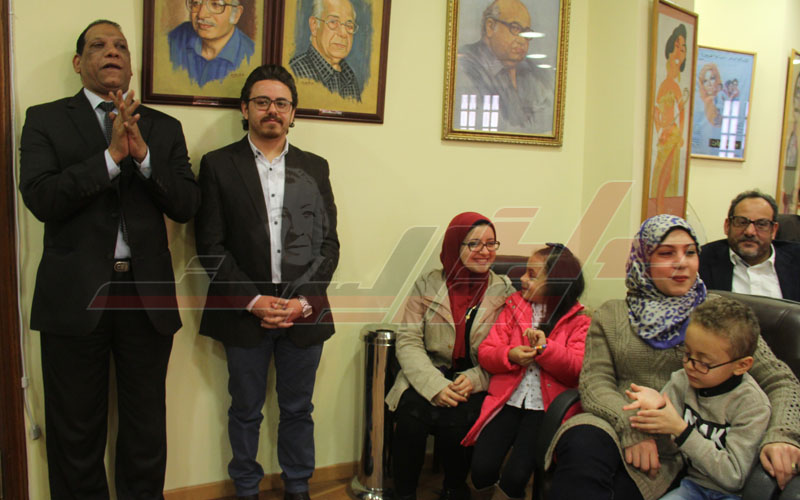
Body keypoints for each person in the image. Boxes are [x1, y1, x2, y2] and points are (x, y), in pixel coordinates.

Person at [18, 19, 200, 499]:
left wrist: (143, 158)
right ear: (79, 63)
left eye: (120, 45)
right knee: (75, 430)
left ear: (131, 66)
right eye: (98, 45)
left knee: (145, 428)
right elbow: (41, 198)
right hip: (75, 295)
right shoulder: (45, 119)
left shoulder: (163, 127)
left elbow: (186, 204)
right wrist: (110, 157)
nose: (112, 51)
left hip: (145, 296)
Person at [544, 214, 800, 500]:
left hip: (681, 443)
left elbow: (781, 380)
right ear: (643, 260)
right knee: (581, 448)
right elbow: (595, 382)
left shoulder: (719, 315)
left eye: (690, 252)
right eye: (666, 253)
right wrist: (632, 429)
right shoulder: (612, 314)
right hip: (615, 420)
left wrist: (782, 435)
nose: (682, 263)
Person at [194, 64, 339, 500]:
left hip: (303, 311)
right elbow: (210, 246)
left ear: (293, 113)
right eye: (262, 102)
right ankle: (246, 489)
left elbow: (328, 245)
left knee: (298, 409)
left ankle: (298, 486)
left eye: (281, 103)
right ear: (245, 109)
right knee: (245, 410)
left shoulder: (315, 167)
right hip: (244, 311)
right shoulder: (218, 165)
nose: (272, 110)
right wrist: (254, 300)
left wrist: (302, 301)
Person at [385, 212, 516, 500]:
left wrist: (475, 379)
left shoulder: (504, 290)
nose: (485, 251)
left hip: (476, 378)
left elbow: (506, 349)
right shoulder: (427, 284)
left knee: (459, 420)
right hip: (428, 372)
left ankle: (454, 490)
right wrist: (434, 385)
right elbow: (408, 340)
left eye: (491, 243)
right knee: (410, 419)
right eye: (474, 244)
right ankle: (404, 493)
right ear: (455, 246)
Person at [462, 243, 590, 500]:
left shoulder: (579, 321)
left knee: (515, 477)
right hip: (506, 401)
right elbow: (487, 352)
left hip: (545, 409)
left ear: (556, 283)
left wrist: (546, 349)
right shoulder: (513, 307)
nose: (522, 279)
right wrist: (509, 355)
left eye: (532, 275)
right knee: (481, 468)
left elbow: (576, 370)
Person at [624, 298, 770, 499]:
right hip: (692, 486)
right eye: (687, 354)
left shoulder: (752, 405)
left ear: (741, 365)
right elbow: (667, 451)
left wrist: (681, 430)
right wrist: (654, 412)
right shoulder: (681, 381)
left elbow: (734, 477)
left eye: (704, 363)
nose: (690, 366)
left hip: (733, 494)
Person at [454, 0, 555, 134]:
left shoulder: (533, 71)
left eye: (526, 32)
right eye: (515, 28)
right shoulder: (464, 65)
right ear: (490, 27)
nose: (522, 40)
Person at [698, 190, 800, 301]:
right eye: (742, 222)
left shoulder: (796, 260)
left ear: (774, 230)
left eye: (761, 224)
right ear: (727, 226)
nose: (750, 232)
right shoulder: (701, 261)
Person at [168, 0, 255, 87]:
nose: (201, 15)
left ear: (236, 14)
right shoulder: (174, 39)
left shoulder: (250, 55)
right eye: (196, 3)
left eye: (215, 4)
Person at [289, 0, 362, 101]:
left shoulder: (350, 78)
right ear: (314, 25)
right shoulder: (295, 71)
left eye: (349, 25)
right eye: (333, 22)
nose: (343, 33)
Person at [651, 24, 689, 215]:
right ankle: (658, 210)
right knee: (660, 173)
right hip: (664, 135)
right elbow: (656, 112)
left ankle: (661, 210)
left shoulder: (674, 86)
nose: (679, 52)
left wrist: (679, 133)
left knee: (666, 174)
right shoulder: (664, 83)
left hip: (672, 135)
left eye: (683, 48)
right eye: (677, 46)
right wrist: (659, 127)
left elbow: (682, 111)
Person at [691, 63, 723, 156]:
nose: (709, 84)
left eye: (712, 78)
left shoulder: (721, 101)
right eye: (705, 81)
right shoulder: (698, 103)